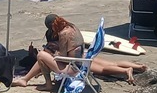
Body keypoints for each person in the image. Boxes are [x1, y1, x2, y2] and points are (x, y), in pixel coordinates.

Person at [13, 14, 148, 87]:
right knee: (109, 63)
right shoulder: (72, 27)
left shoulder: (63, 34)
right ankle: (135, 66)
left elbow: (63, 57)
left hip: (75, 68)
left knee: (43, 55)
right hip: (84, 57)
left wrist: (53, 54)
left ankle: (30, 81)